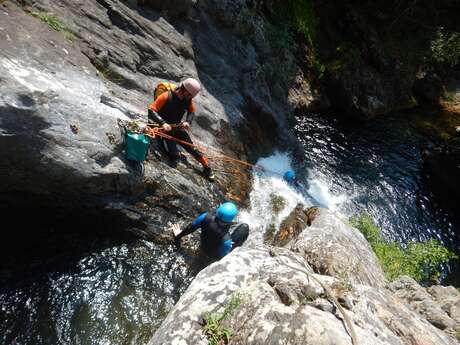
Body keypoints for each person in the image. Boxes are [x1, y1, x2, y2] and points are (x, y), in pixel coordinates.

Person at [147, 78, 214, 180]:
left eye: (192, 96)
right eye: (190, 95)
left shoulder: (187, 100)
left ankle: (207, 168)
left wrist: (188, 121)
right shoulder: (166, 96)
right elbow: (151, 110)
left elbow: (191, 112)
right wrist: (163, 123)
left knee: (191, 147)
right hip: (161, 127)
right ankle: (174, 153)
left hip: (176, 127)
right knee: (174, 154)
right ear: (184, 90)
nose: (191, 97)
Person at [172, 202, 249, 259]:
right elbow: (223, 257)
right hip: (214, 255)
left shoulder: (205, 217)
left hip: (203, 245)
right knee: (244, 227)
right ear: (231, 220)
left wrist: (178, 235)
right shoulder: (226, 239)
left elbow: (191, 228)